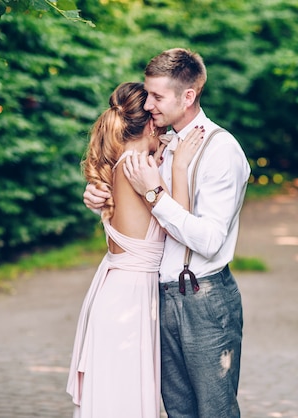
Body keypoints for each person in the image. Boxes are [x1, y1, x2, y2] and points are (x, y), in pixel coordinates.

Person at [83, 48, 251, 418]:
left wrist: (155, 194)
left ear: (187, 96)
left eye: (157, 97)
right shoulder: (160, 146)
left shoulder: (220, 151)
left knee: (215, 411)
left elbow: (209, 240)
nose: (150, 105)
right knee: (178, 412)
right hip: (159, 299)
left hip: (203, 300)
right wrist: (99, 197)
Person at [67, 81, 205, 418]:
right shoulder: (137, 168)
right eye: (155, 118)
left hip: (121, 293)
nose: (161, 124)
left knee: (118, 398)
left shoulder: (129, 163)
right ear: (146, 123)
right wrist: (178, 167)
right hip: (129, 299)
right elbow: (179, 225)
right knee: (124, 400)